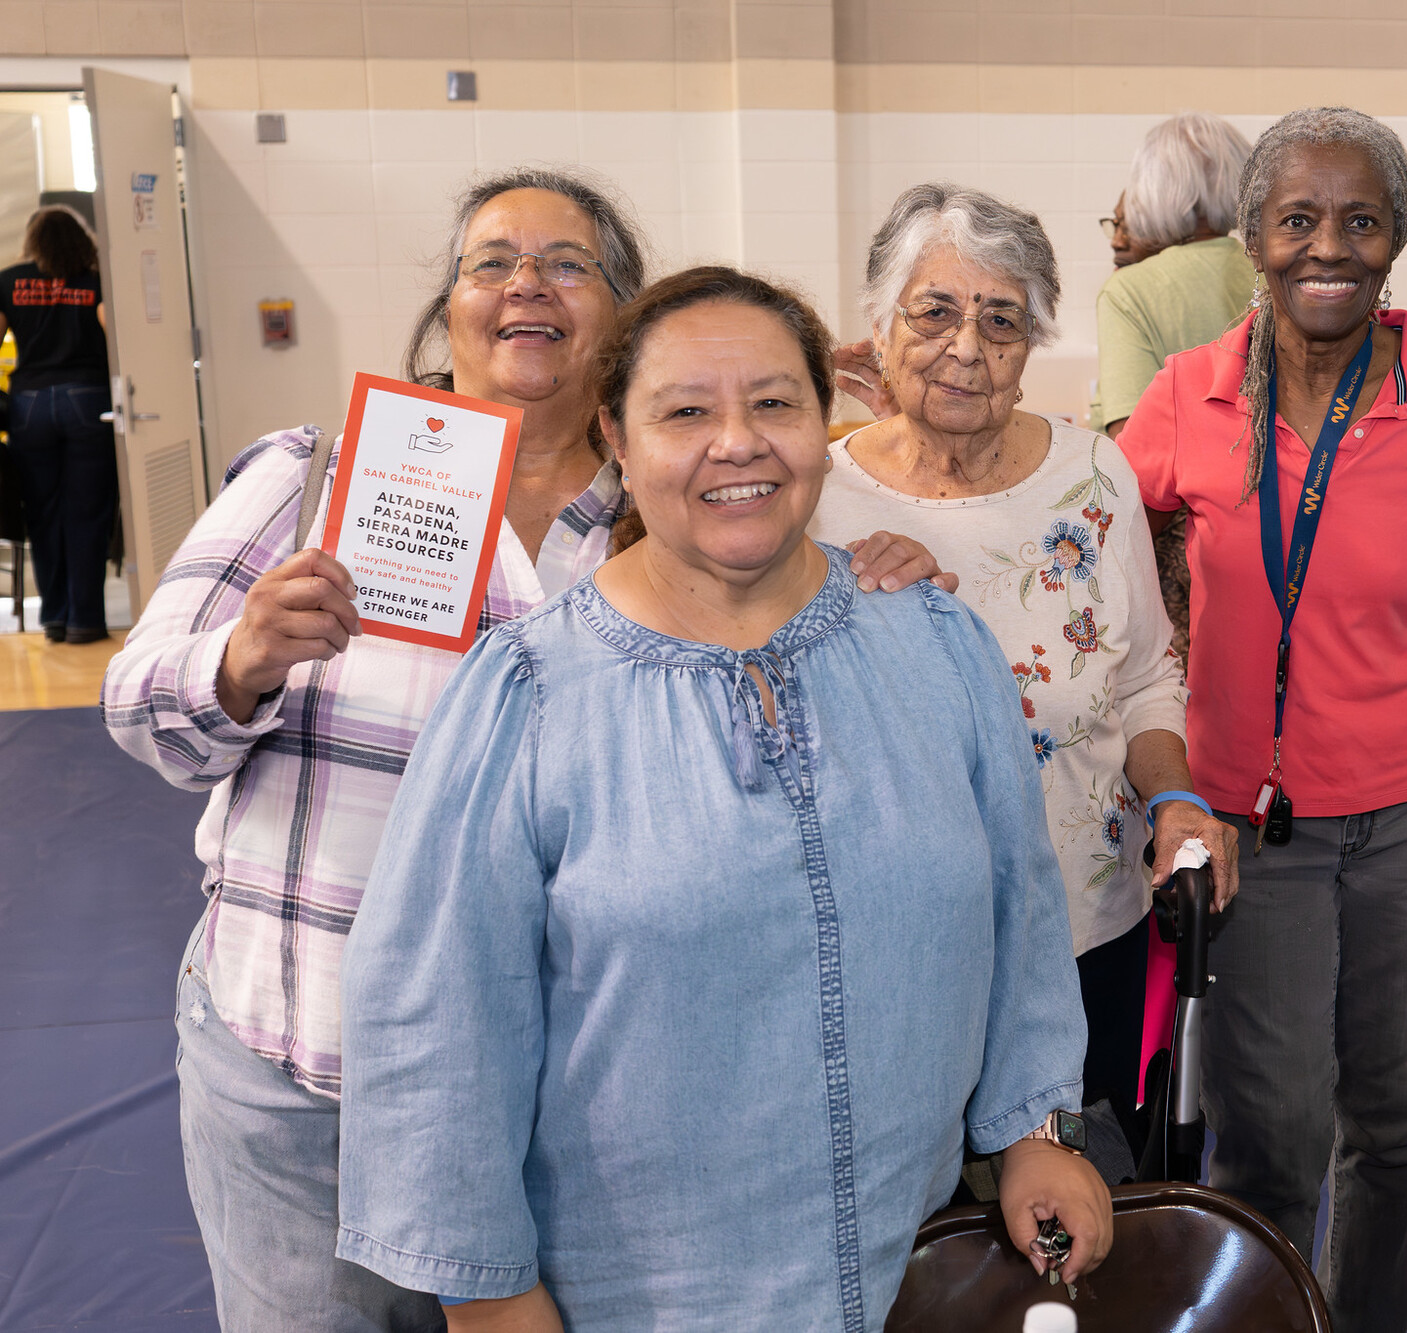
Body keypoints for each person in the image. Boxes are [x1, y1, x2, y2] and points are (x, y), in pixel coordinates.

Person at [100, 170, 943, 1333]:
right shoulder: (314, 477)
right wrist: (239, 661)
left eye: (566, 263)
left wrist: (873, 569)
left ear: (619, 319)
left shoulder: (684, 509)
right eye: (491, 262)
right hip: (306, 1070)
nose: (524, 287)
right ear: (448, 305)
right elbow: (137, 707)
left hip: (554, 1104)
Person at [335, 266, 1112, 1330]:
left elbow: (1017, 907)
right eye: (685, 411)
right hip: (634, 1296)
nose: (735, 442)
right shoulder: (527, 693)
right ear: (615, 434)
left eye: (774, 403)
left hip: (915, 1273)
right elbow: (434, 1019)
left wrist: (1034, 1131)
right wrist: (489, 1294)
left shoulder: (933, 646)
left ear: (824, 421)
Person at [1115, 107, 1407, 1333]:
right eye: (1296, 219)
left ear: (1395, 236)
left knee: (1395, 1132)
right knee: (1271, 1139)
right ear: (1252, 237)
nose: (1325, 247)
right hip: (1249, 824)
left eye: (1358, 219)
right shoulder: (1184, 396)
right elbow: (1084, 549)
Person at [811, 183, 1237, 1150]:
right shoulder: (814, 496)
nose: (967, 346)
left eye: (1001, 319)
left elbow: (1144, 677)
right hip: (891, 941)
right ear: (879, 328)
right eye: (935, 312)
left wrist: (1175, 800)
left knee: (1088, 1198)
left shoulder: (1093, 474)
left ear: (1032, 340)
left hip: (1087, 925)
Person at [1089, 112, 1258, 664]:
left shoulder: (1131, 291)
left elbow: (1130, 443)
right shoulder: (1269, 271)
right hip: (1271, 529)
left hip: (1175, 552)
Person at [0, 206, 116, 644]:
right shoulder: (97, 279)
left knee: (42, 513)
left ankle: (54, 617)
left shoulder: (9, 279)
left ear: (34, 240)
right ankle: (85, 620)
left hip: (29, 405)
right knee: (87, 513)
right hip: (89, 400)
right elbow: (116, 337)